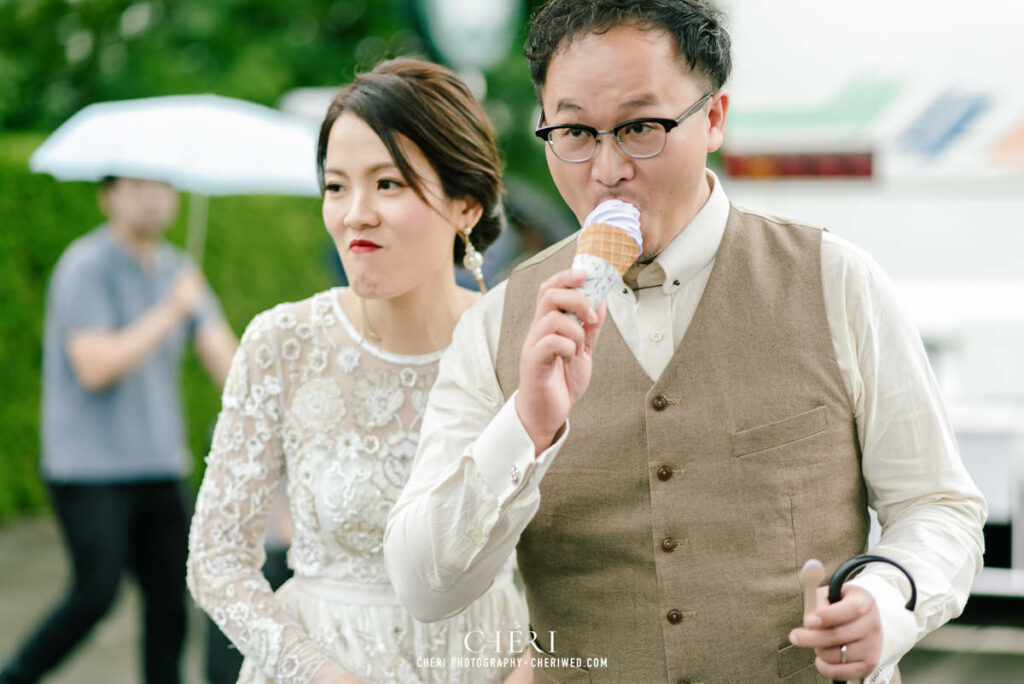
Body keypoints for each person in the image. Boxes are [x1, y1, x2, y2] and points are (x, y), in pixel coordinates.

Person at [384, 2, 987, 683]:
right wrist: (524, 427)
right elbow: (423, 587)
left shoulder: (833, 279)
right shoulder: (496, 323)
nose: (607, 168)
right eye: (576, 131)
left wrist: (887, 597)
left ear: (716, 119)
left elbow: (938, 506)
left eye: (640, 127)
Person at [186, 58, 531, 684]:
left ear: (467, 204)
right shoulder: (282, 344)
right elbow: (217, 560)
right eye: (336, 185)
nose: (355, 213)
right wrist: (319, 674)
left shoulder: (521, 345)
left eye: (388, 184)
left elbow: (587, 563)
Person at [0, 176, 237, 684]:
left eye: (161, 186)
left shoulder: (180, 270)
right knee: (95, 593)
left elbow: (228, 364)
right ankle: (16, 674)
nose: (152, 198)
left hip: (159, 463)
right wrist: (173, 309)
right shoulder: (85, 266)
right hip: (88, 468)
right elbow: (94, 365)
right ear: (108, 196)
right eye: (136, 186)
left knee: (171, 597)